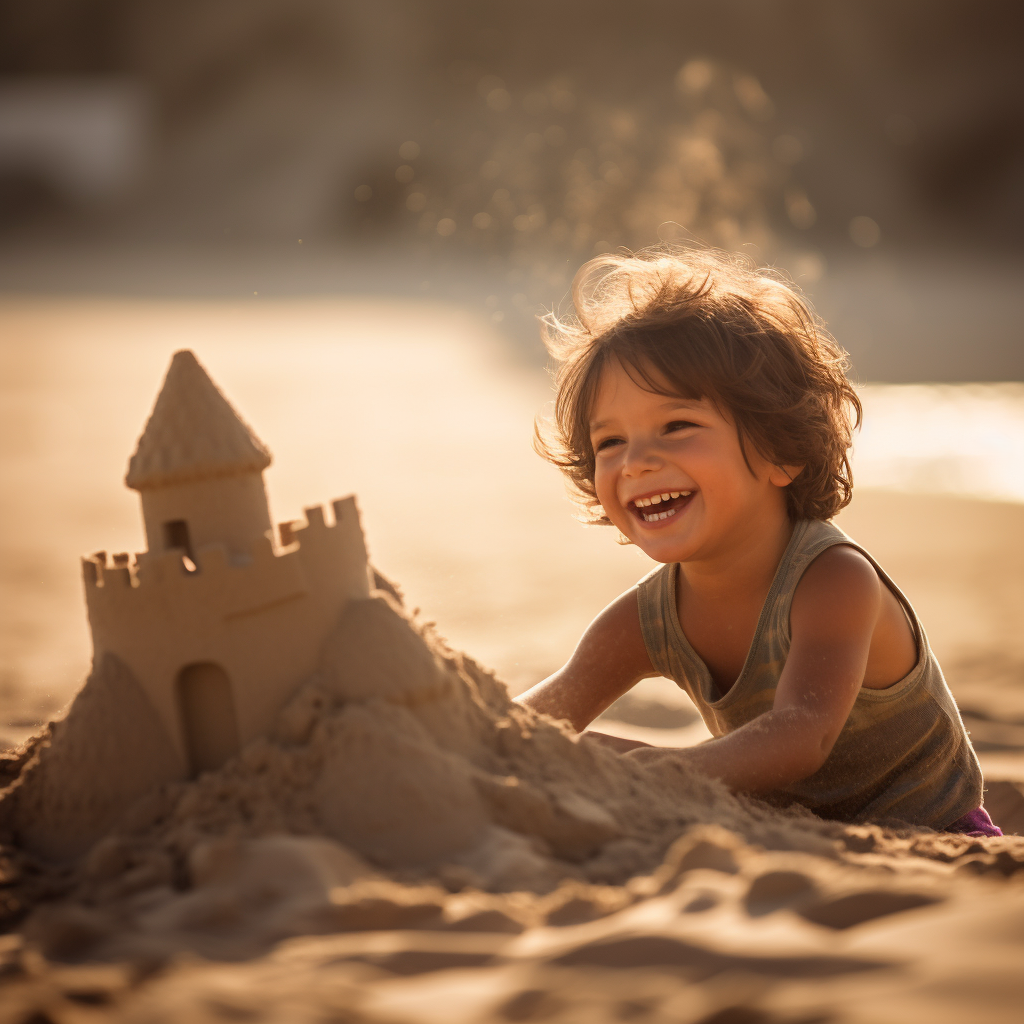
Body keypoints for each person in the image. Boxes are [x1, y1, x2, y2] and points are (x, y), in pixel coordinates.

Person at [516, 248, 1001, 838]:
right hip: (795, 832)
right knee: (576, 748)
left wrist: (659, 769)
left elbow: (803, 735)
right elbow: (534, 718)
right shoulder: (645, 618)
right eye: (610, 442)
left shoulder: (834, 580)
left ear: (780, 451)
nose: (637, 462)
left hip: (935, 834)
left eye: (677, 426)